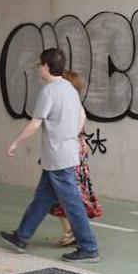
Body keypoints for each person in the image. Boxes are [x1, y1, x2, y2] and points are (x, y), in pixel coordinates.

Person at [0, 48, 100, 263]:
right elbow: (82, 115)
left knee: (72, 203)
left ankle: (89, 247)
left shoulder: (49, 91)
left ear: (46, 66)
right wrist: (71, 135)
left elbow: (35, 124)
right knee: (43, 197)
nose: (39, 67)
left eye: (40, 64)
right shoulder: (69, 89)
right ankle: (21, 237)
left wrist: (15, 142)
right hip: (62, 153)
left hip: (57, 156)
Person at [49, 72, 104, 247]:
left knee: (65, 195)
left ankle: (74, 233)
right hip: (74, 151)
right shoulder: (74, 104)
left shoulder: (68, 105)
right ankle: (71, 231)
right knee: (63, 195)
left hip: (68, 153)